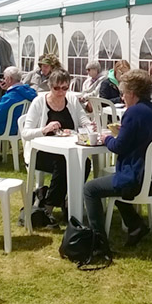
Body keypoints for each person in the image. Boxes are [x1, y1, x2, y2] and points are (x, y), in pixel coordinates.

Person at [83, 69, 152, 246]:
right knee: (114, 180)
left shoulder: (133, 113)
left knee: (90, 189)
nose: (122, 97)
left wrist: (107, 138)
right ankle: (135, 225)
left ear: (131, 93)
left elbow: (118, 147)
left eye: (123, 93)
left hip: (138, 180)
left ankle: (98, 238)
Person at [22, 69, 94, 216]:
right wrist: (44, 129)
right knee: (63, 162)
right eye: (56, 88)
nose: (61, 92)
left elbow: (83, 120)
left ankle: (69, 200)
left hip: (67, 147)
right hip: (40, 152)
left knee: (85, 163)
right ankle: (50, 206)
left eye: (65, 88)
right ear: (50, 86)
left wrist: (90, 126)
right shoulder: (39, 102)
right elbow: (25, 133)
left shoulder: (72, 100)